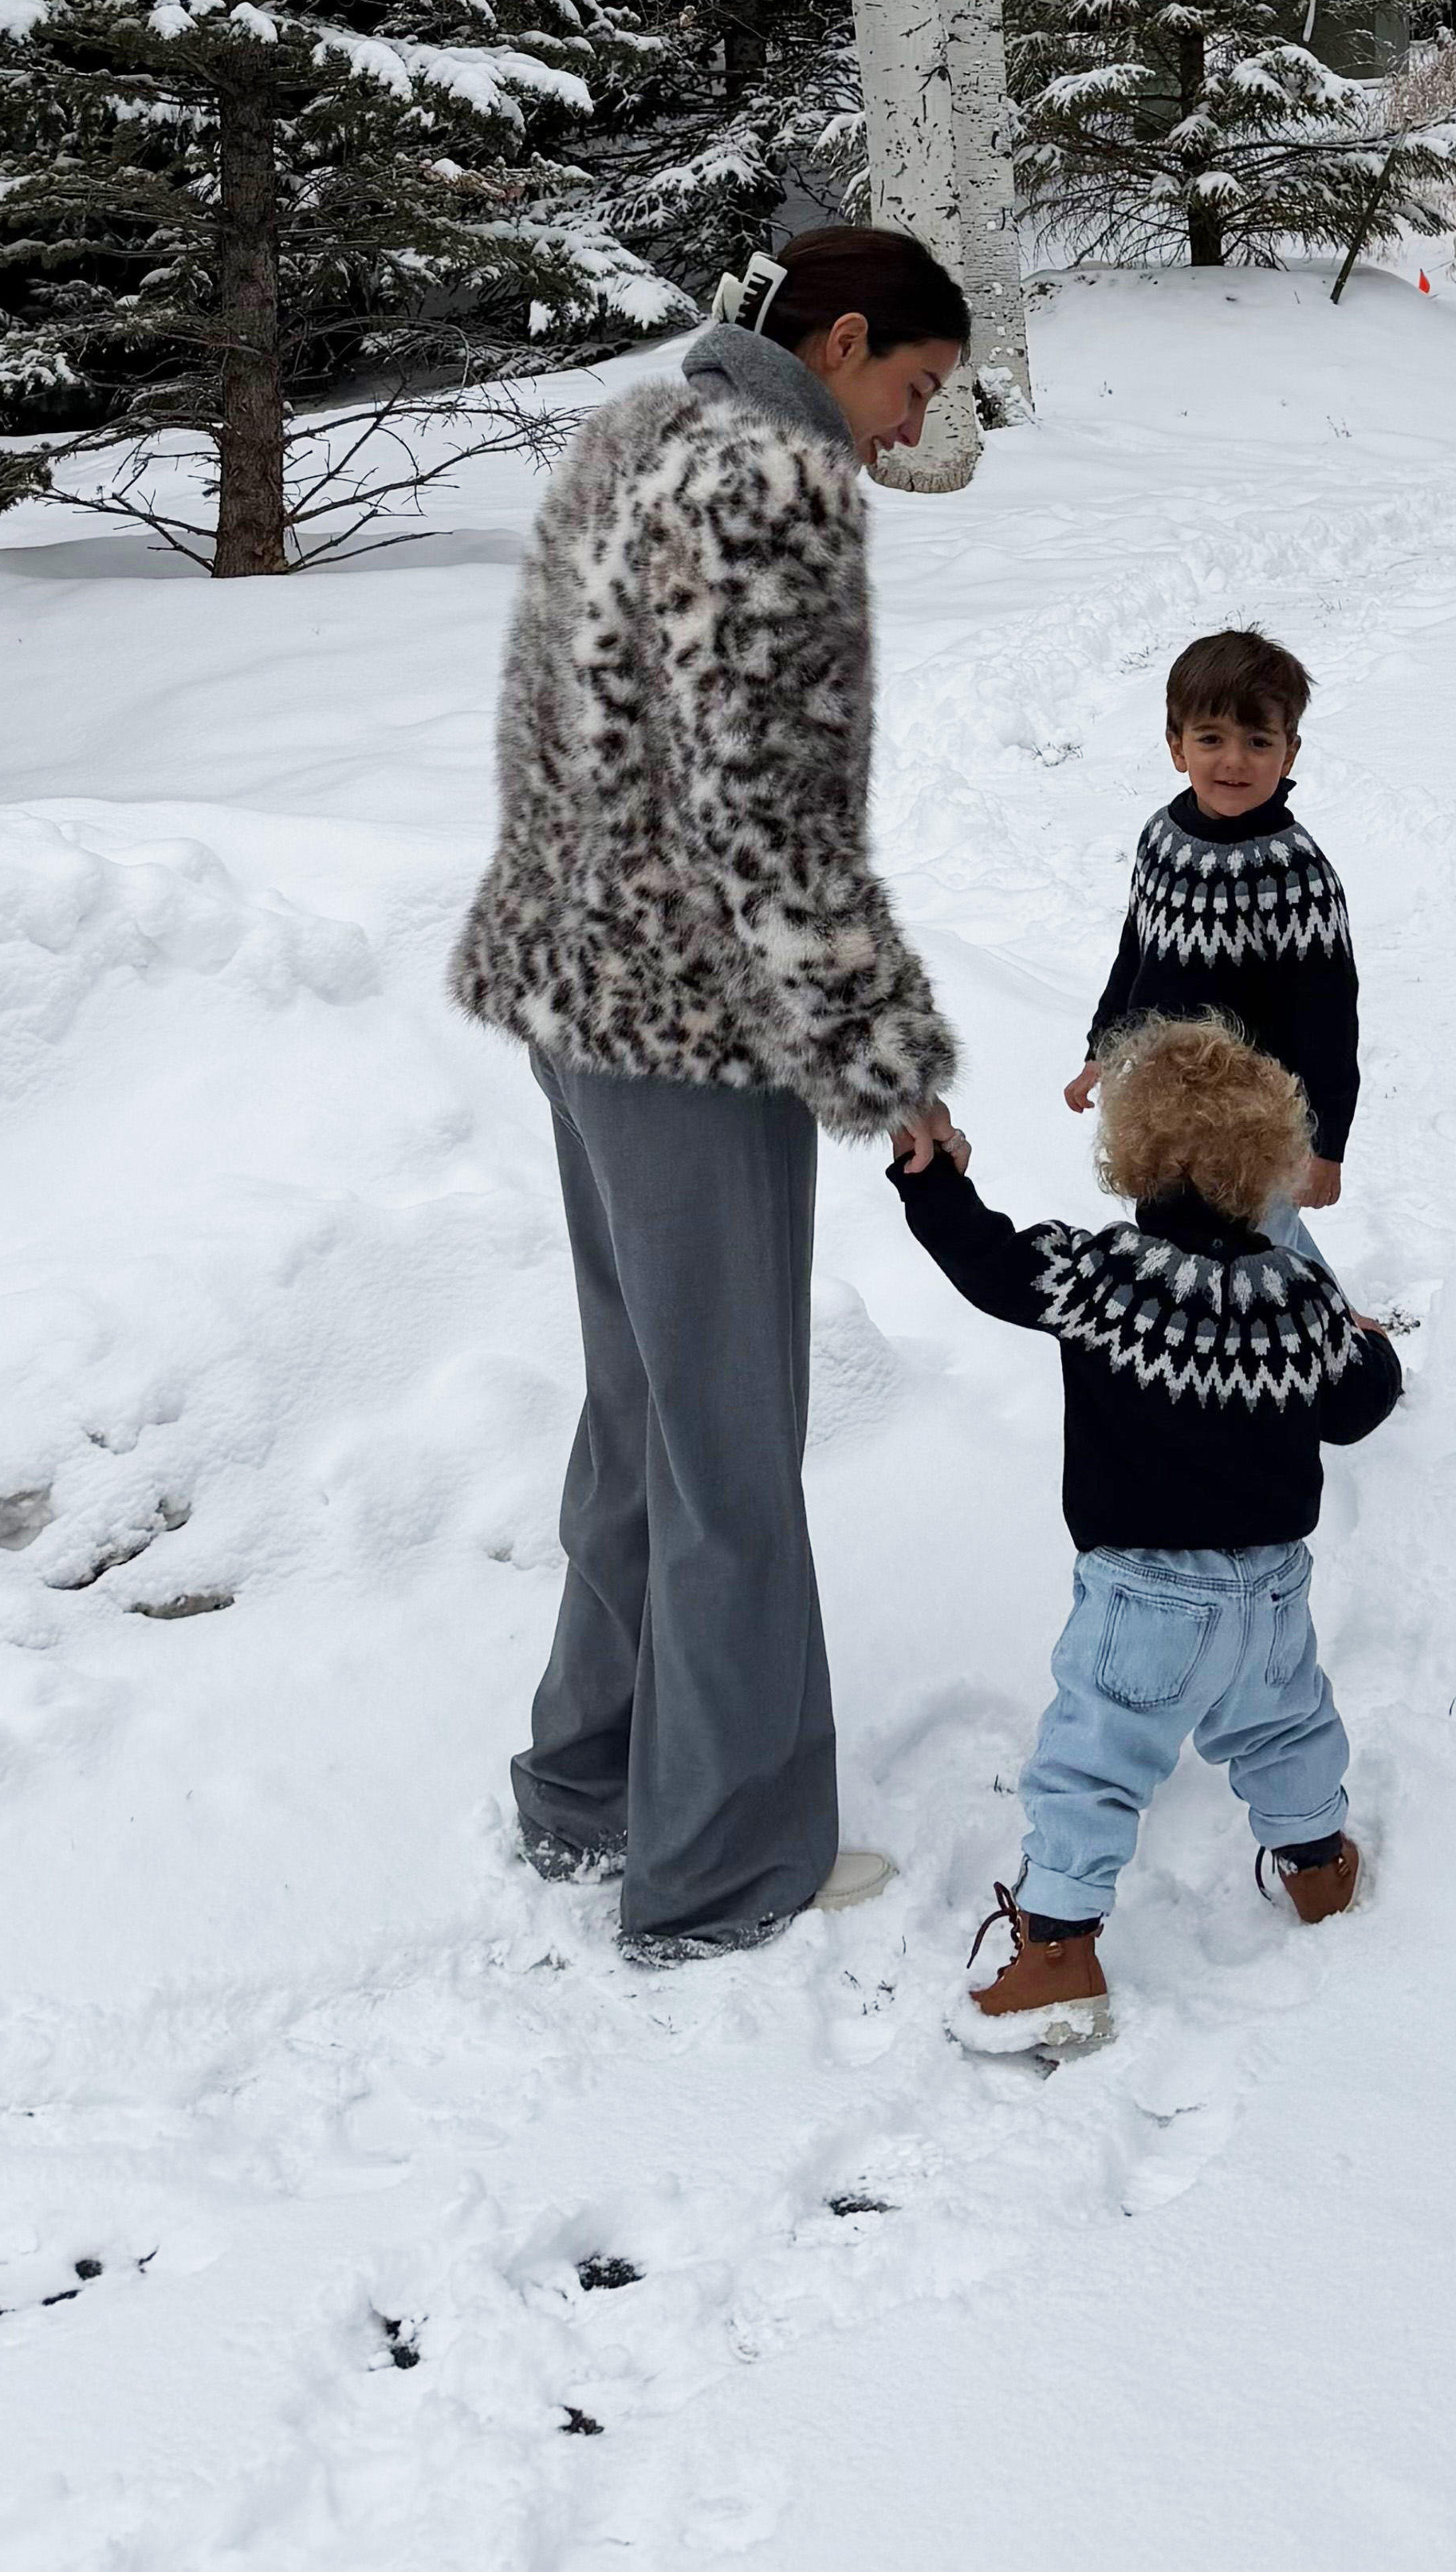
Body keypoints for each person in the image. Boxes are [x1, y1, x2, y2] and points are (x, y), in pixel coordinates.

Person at [451, 227, 966, 1963]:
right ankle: (724, 1861)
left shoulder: (639, 435)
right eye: (915, 388)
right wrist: (885, 1062)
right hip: (688, 1024)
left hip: (577, 992)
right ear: (841, 339)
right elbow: (773, 824)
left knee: (646, 1415)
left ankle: (590, 1783)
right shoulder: (769, 486)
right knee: (726, 1445)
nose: (912, 431)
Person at [892, 1014, 1403, 2054]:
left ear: (1132, 1153)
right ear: (1269, 1160)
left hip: (1145, 1602)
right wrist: (1373, 1351)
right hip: (1270, 1594)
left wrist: (933, 1180)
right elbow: (1357, 1405)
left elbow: (985, 1262)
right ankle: (1319, 1868)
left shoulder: (1102, 1277)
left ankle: (1056, 1953)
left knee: (1092, 1765)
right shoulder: (1300, 1296)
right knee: (1286, 1727)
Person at [1064, 628, 1359, 1264]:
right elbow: (1136, 953)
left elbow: (1328, 1017)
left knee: (1258, 1248)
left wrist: (1325, 1143)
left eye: (1258, 742)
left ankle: (1321, 1320)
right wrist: (1101, 1050)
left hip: (1253, 1124)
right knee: (1181, 1239)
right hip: (1164, 1111)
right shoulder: (1161, 839)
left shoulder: (1295, 875)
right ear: (1177, 746)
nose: (1234, 761)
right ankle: (1311, 1306)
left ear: (1288, 753)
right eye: (1210, 738)